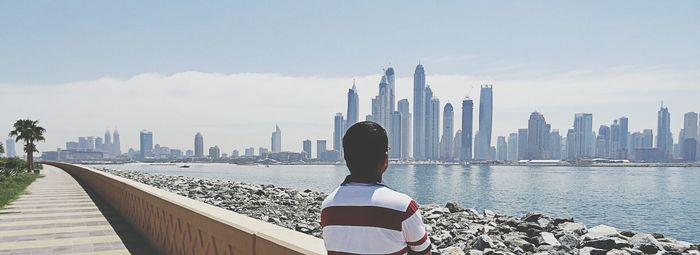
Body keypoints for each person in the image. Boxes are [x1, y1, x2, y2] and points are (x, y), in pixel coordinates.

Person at [321, 121, 432, 255]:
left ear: (346, 158)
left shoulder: (328, 206)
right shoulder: (404, 207)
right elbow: (424, 252)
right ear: (385, 159)